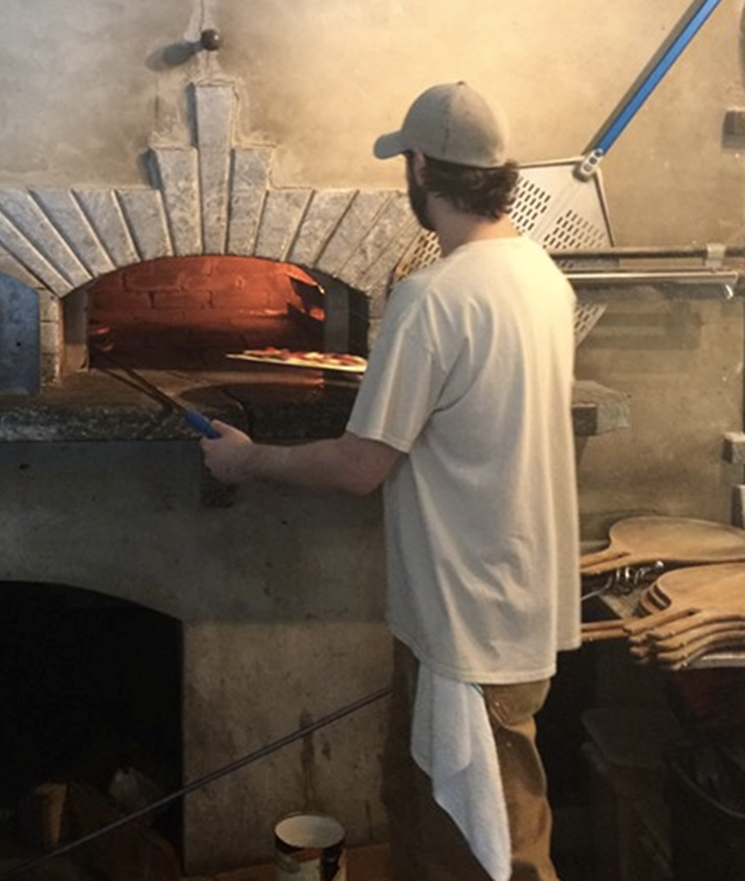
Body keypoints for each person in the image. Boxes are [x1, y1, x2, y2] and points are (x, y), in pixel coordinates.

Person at [200, 82, 580, 881]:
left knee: (492, 852)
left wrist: (247, 460)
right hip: (508, 609)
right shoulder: (542, 278)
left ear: (418, 166)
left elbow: (358, 465)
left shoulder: (434, 298)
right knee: (436, 820)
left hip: (467, 625)